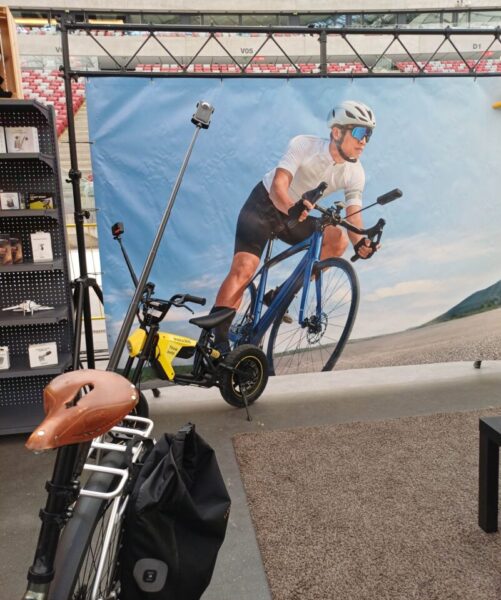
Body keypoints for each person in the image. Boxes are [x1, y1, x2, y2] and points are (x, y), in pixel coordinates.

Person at [211, 100, 378, 352]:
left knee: (338, 239)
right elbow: (278, 185)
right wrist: (292, 207)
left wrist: (361, 242)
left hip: (297, 215)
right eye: (359, 132)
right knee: (244, 269)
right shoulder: (304, 145)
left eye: (368, 134)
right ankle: (218, 343)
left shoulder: (356, 172)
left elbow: (353, 216)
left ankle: (280, 294)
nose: (364, 140)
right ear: (337, 132)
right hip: (263, 206)